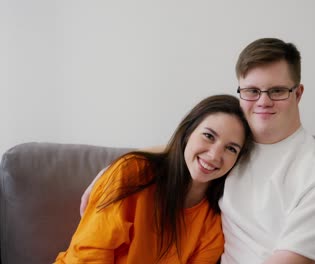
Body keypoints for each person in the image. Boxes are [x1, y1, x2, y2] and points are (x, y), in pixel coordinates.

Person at [81, 38, 315, 264]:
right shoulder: (234, 150)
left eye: (277, 90)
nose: (263, 101)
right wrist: (119, 168)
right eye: (252, 90)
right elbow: (193, 148)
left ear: (298, 93)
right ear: (240, 92)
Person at [56, 94, 254, 263]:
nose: (214, 155)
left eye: (230, 148)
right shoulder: (133, 173)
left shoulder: (213, 224)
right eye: (209, 136)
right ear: (188, 132)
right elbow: (90, 255)